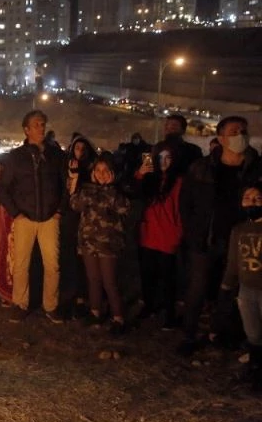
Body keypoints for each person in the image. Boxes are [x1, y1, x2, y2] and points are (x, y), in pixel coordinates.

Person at [178, 116, 260, 356]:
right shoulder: (201, 167)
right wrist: (193, 233)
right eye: (234, 131)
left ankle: (222, 333)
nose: (240, 135)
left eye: (244, 131)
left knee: (231, 290)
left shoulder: (256, 168)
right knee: (198, 288)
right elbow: (186, 204)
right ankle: (190, 334)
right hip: (205, 240)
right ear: (221, 137)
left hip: (242, 242)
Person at [0, 110, 66, 323]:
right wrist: (16, 214)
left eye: (42, 124)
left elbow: (65, 186)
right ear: (26, 130)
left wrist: (59, 211)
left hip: (49, 218)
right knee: (21, 264)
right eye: (36, 125)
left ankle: (51, 305)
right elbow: (3, 188)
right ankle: (20, 303)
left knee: (52, 264)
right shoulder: (16, 157)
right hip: (25, 218)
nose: (41, 128)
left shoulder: (55, 156)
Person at [70, 155, 131, 334]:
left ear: (112, 172)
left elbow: (123, 208)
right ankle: (95, 311)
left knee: (109, 281)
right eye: (98, 171)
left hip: (108, 244)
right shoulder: (87, 190)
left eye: (105, 171)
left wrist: (109, 188)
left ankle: (118, 317)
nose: (101, 174)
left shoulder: (117, 191)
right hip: (88, 242)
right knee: (93, 279)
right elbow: (75, 205)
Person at [134, 144, 185, 329]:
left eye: (168, 158)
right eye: (160, 157)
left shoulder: (179, 182)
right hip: (148, 233)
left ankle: (169, 314)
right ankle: (149, 306)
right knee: (147, 275)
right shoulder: (150, 178)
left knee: (167, 278)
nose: (163, 162)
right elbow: (135, 194)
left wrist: (178, 232)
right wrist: (140, 174)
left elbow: (182, 210)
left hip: (167, 236)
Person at [221, 184, 262, 392]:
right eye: (247, 197)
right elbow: (233, 260)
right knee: (252, 332)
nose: (252, 201)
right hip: (246, 289)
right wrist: (227, 284)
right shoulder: (238, 230)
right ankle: (255, 370)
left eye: (257, 198)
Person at [60, 135, 97, 316]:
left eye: (83, 149)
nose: (80, 152)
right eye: (77, 148)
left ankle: (83, 296)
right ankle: (68, 294)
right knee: (69, 256)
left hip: (87, 220)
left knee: (84, 258)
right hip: (69, 218)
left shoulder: (92, 170)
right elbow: (67, 195)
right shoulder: (66, 168)